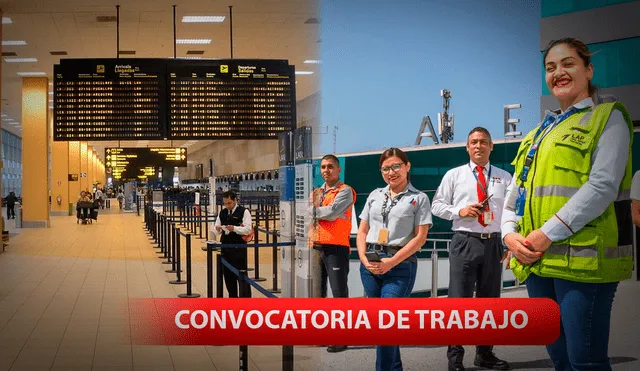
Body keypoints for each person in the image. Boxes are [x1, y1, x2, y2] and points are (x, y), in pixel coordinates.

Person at [501, 37, 633, 371]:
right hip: (536, 262)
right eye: (550, 67)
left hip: (582, 264)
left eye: (567, 63)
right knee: (558, 358)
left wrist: (545, 234)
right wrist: (507, 234)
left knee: (585, 361)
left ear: (588, 70)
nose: (558, 72)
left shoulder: (608, 117)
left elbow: (602, 186)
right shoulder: (536, 134)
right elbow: (516, 193)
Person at [431, 127, 512, 371]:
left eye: (483, 142)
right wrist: (460, 211)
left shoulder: (504, 177)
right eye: (474, 142)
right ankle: (455, 359)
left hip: (493, 242)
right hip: (464, 241)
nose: (478, 146)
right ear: (467, 147)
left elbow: (510, 212)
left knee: (490, 303)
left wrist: (508, 241)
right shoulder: (454, 175)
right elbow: (436, 206)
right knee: (459, 302)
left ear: (491, 147)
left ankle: (484, 354)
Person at [357, 147, 431, 371]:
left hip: (400, 266)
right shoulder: (374, 195)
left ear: (407, 167)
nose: (391, 172)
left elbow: (420, 238)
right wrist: (362, 258)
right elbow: (361, 231)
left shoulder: (419, 198)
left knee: (385, 324)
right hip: (370, 263)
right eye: (386, 169)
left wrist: (391, 262)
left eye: (396, 166)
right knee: (383, 324)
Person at [310, 154, 356, 354]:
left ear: (338, 170)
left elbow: (333, 213)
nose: (326, 170)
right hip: (317, 246)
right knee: (318, 294)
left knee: (339, 294)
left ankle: (342, 338)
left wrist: (312, 211)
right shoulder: (317, 192)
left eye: (330, 167)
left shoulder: (345, 191)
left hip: (336, 248)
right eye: (323, 167)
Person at [213, 190, 253, 298]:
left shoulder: (244, 212)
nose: (227, 205)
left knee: (242, 275)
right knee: (228, 276)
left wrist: (234, 228)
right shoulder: (223, 212)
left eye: (229, 203)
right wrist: (218, 229)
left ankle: (246, 302)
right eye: (225, 203)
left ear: (235, 200)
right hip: (225, 248)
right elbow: (216, 228)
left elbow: (248, 230)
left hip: (239, 248)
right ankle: (233, 299)